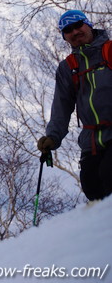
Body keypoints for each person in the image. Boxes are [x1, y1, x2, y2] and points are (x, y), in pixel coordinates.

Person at [37, 10, 112, 201]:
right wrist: (52, 137)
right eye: (68, 30)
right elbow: (61, 105)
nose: (75, 31)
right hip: (91, 140)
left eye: (78, 25)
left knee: (109, 174)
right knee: (92, 187)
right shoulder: (68, 67)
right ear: (65, 37)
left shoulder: (110, 51)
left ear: (89, 24)